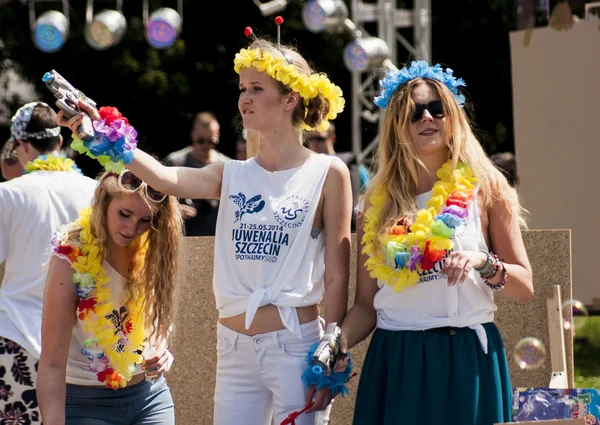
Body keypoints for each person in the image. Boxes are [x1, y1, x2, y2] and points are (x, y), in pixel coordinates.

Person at [58, 34, 352, 425]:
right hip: (233, 347)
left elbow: (337, 273)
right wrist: (103, 131)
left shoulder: (328, 172)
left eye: (256, 89)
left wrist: (332, 342)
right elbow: (164, 178)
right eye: (243, 89)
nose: (243, 99)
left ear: (290, 99)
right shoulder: (231, 172)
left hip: (297, 346)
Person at [339, 61, 534, 425]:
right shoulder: (374, 205)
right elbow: (366, 306)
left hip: (465, 358)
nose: (426, 117)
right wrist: (336, 343)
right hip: (398, 359)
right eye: (413, 112)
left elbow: (524, 287)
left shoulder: (486, 188)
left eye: (437, 108)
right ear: (397, 125)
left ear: (452, 116)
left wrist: (484, 262)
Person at [37, 169, 183, 425]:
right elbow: (51, 364)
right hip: (85, 403)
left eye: (145, 220)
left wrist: (161, 349)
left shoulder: (153, 247)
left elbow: (152, 319)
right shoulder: (70, 259)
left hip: (149, 397)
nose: (131, 229)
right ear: (104, 202)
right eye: (124, 214)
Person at [0, 102, 97, 424]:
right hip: (83, 346)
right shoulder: (96, 192)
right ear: (59, 142)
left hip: (19, 340)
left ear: (22, 146)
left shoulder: (8, 194)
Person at [163, 111, 230, 236]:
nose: (206, 145)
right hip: (182, 238)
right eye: (201, 140)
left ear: (218, 136)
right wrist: (174, 211)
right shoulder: (175, 162)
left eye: (211, 141)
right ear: (193, 135)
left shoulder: (227, 166)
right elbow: (157, 201)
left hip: (216, 239)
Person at [305, 123, 370, 230]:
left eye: (320, 139)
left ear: (332, 138)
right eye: (310, 139)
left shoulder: (350, 165)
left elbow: (366, 198)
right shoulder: (304, 167)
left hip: (346, 226)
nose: (314, 143)